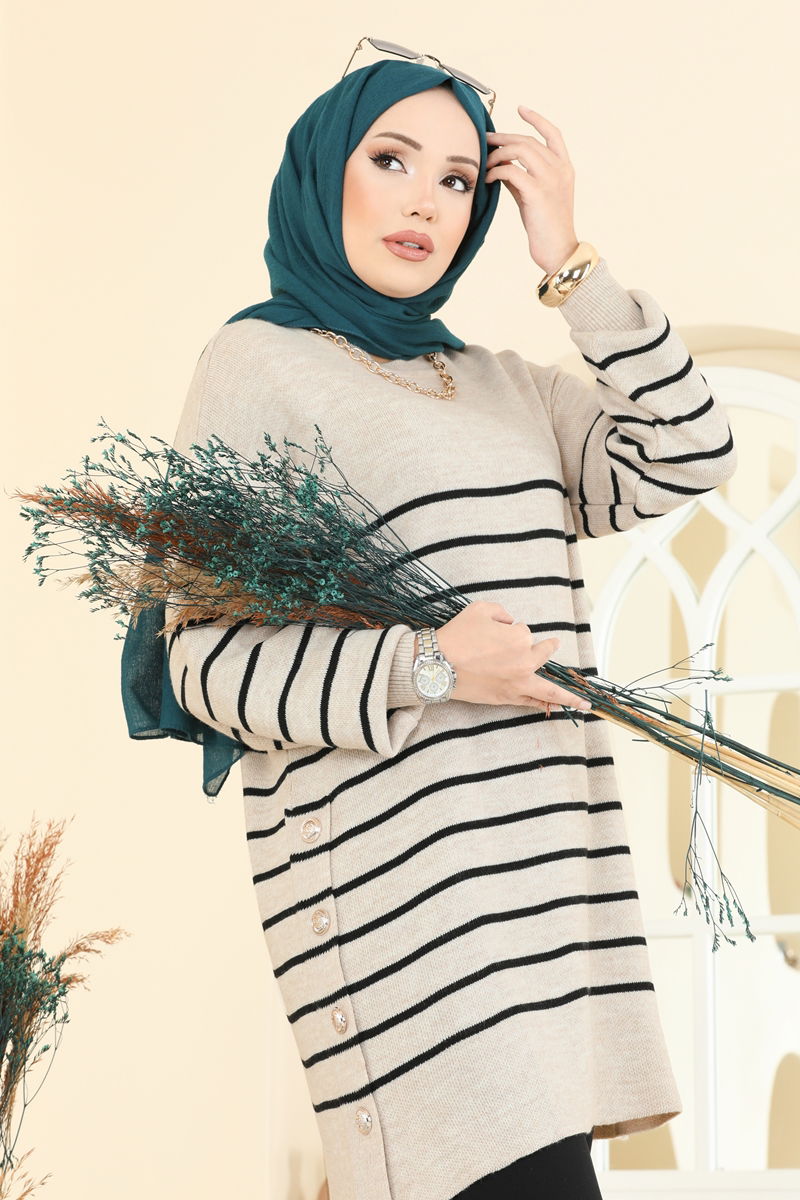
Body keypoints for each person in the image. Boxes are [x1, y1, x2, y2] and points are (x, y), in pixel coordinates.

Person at [143, 53, 737, 1200]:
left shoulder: (506, 386)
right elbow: (204, 663)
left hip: (549, 905)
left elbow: (685, 451)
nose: (425, 200)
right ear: (325, 170)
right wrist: (428, 664)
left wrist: (569, 261)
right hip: (407, 921)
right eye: (391, 160)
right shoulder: (257, 365)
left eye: (459, 180)